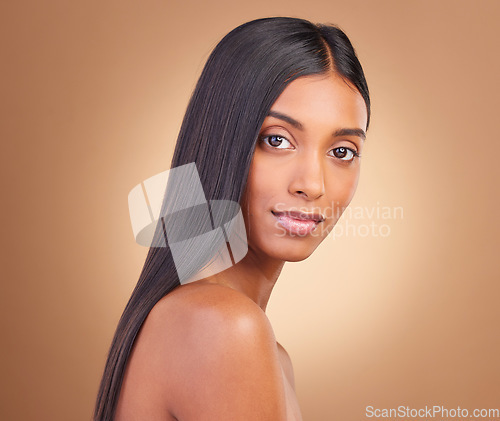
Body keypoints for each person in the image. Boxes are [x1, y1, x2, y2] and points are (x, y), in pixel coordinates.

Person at [94, 16, 370, 421]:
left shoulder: (268, 353)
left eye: (342, 151)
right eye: (276, 140)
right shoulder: (223, 327)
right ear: (225, 141)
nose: (312, 184)